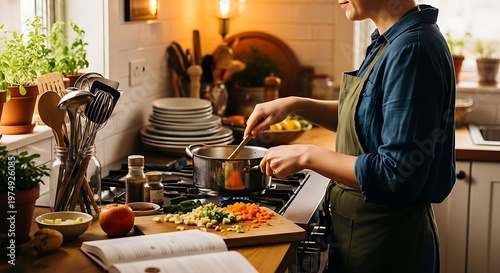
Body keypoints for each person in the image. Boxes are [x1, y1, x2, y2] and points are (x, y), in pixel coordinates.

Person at [244, 1, 456, 272]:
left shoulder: (412, 50)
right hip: (365, 237)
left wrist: (307, 155)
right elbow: (364, 118)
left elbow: (396, 174)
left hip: (387, 246)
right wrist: (295, 104)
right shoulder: (392, 40)